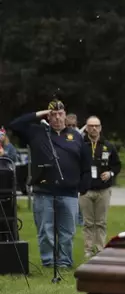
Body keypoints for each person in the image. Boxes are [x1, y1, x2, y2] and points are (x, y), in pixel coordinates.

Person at [6, 99, 91, 268]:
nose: (57, 118)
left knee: (67, 231)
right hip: (43, 191)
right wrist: (41, 113)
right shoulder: (37, 132)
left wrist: (83, 186)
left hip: (68, 192)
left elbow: (85, 164)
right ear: (48, 116)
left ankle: (65, 262)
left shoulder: (76, 137)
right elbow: (15, 125)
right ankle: (48, 262)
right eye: (53, 115)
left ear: (65, 115)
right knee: (46, 230)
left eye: (60, 114)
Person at [79, 116, 122, 258]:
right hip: (86, 189)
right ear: (86, 128)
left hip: (103, 189)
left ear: (101, 127)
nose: (94, 128)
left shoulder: (108, 146)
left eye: (96, 126)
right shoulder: (80, 145)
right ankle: (88, 249)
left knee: (101, 222)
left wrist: (110, 173)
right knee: (88, 223)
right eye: (91, 126)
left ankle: (100, 248)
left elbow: (117, 165)